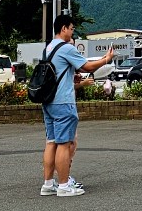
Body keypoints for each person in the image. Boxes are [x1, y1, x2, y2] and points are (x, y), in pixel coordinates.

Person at [40, 14, 116, 197]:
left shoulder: (48, 47)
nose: (73, 31)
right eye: (72, 28)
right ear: (64, 28)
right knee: (64, 144)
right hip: (63, 101)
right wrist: (106, 59)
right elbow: (87, 67)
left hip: (48, 101)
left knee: (51, 142)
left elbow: (61, 71)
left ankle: (48, 184)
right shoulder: (66, 47)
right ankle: (64, 186)